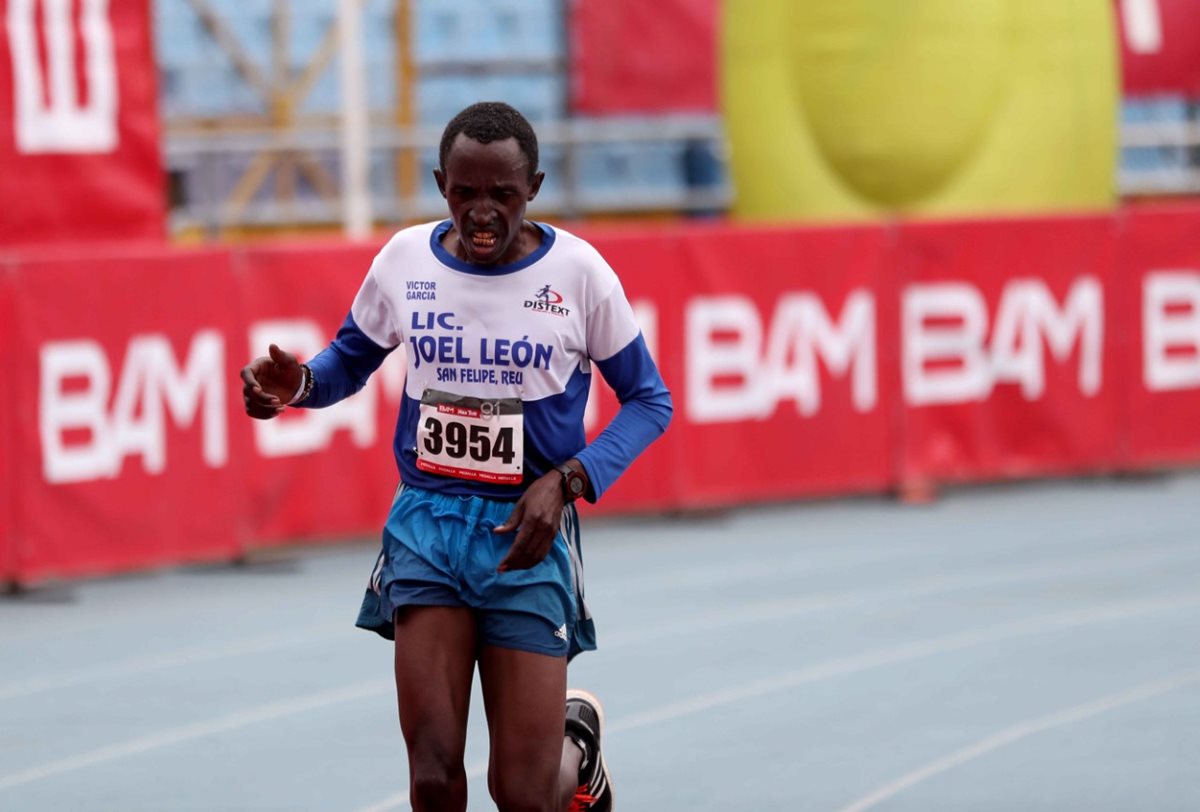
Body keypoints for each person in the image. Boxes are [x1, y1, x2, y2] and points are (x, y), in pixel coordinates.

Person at [241, 101, 672, 812]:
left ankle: (579, 755)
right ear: (442, 183)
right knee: (434, 779)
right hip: (427, 530)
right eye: (464, 192)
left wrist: (567, 482)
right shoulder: (405, 260)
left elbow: (650, 401)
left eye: (501, 195)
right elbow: (352, 357)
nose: (481, 213)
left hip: (527, 537)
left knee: (524, 795)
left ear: (533, 186)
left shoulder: (580, 274)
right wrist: (304, 386)